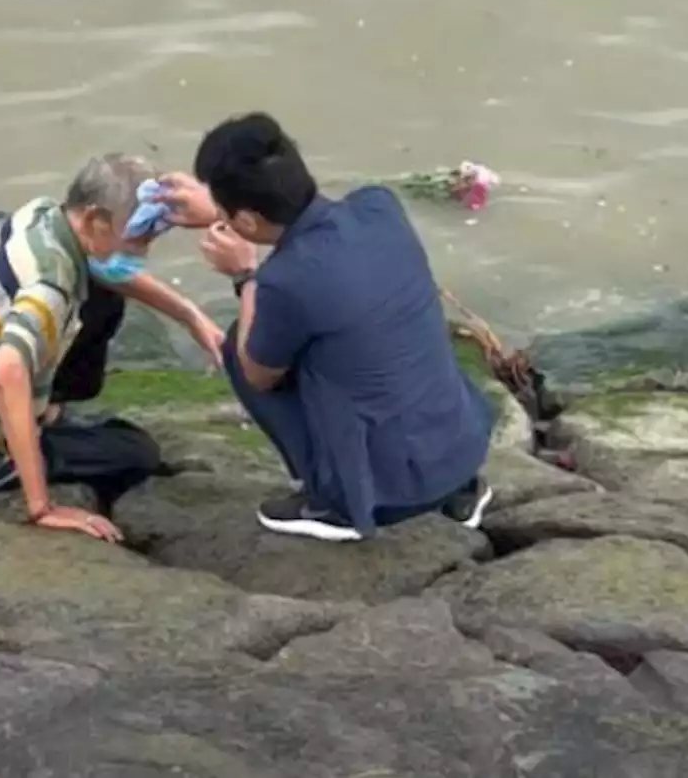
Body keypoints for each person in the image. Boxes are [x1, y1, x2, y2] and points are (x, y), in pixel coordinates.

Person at [158, 112, 496, 543]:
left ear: (245, 222)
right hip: (460, 448)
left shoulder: (285, 280)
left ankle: (334, 504)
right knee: (393, 338)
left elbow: (258, 374)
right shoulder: (379, 206)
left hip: (392, 492)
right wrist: (225, 209)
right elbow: (322, 232)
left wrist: (245, 277)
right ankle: (460, 490)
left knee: (243, 348)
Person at [0, 153, 224, 542]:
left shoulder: (40, 216)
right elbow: (7, 374)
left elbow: (107, 271)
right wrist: (42, 509)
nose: (143, 252)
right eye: (139, 237)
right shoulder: (49, 289)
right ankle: (33, 436)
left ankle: (45, 410)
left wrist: (189, 315)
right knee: (137, 452)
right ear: (94, 221)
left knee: (103, 297)